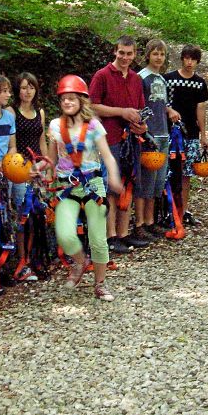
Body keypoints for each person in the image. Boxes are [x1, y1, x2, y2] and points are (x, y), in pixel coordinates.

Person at [48, 75, 122, 301]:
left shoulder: (94, 126)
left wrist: (115, 179)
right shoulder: (55, 126)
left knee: (98, 238)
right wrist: (41, 168)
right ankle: (81, 262)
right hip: (66, 185)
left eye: (72, 98)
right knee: (64, 232)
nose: (67, 103)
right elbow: (51, 159)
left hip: (92, 184)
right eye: (63, 99)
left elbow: (107, 157)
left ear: (82, 100)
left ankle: (100, 284)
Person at [89, 35, 149, 253]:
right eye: (121, 53)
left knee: (128, 185)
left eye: (129, 53)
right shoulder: (102, 75)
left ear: (134, 55)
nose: (125, 57)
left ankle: (124, 234)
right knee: (110, 188)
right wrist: (121, 112)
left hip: (132, 139)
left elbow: (141, 109)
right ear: (115, 52)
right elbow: (92, 106)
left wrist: (143, 126)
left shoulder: (135, 79)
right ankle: (110, 236)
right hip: (109, 139)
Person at [7, 72, 50, 281]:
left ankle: (36, 258)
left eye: (31, 87)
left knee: (38, 216)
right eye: (24, 87)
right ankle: (22, 261)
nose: (28, 91)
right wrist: (24, 168)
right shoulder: (12, 111)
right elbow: (11, 144)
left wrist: (45, 163)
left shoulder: (39, 112)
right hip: (19, 169)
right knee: (22, 216)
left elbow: (42, 142)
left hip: (38, 167)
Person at [134, 39, 178, 240]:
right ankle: (140, 223)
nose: (158, 57)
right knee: (146, 181)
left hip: (163, 133)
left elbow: (162, 104)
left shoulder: (161, 79)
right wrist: (143, 132)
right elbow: (139, 107)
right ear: (148, 55)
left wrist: (170, 110)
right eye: (155, 54)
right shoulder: (141, 78)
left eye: (162, 54)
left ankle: (151, 222)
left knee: (158, 181)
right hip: (149, 135)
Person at [164, 44, 208, 227]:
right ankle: (166, 210)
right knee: (168, 171)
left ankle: (183, 211)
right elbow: (161, 103)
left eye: (193, 59)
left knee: (186, 173)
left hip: (191, 133)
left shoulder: (200, 83)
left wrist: (203, 135)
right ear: (182, 58)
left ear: (197, 61)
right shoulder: (169, 79)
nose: (190, 62)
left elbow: (201, 109)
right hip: (170, 132)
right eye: (187, 58)